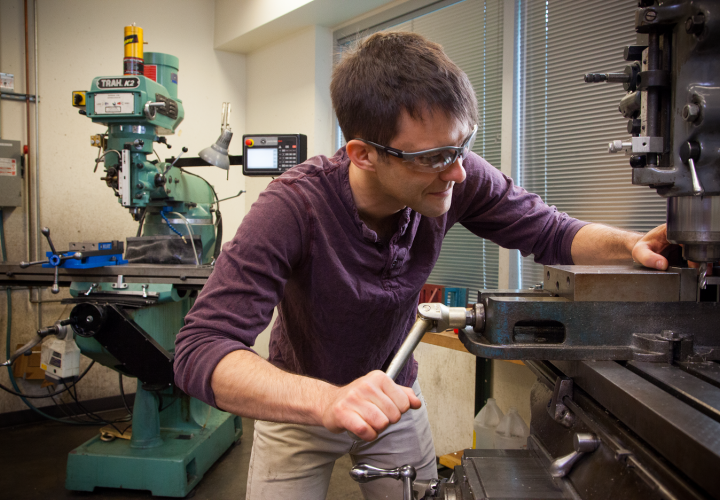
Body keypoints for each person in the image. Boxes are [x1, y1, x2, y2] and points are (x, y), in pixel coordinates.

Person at [174, 31, 671, 499]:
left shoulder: (455, 173)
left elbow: (551, 231)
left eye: (462, 145)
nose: (457, 172)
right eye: (432, 156)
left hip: (395, 395)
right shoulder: (292, 208)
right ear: (363, 154)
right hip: (300, 404)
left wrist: (631, 246)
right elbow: (201, 349)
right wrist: (327, 401)